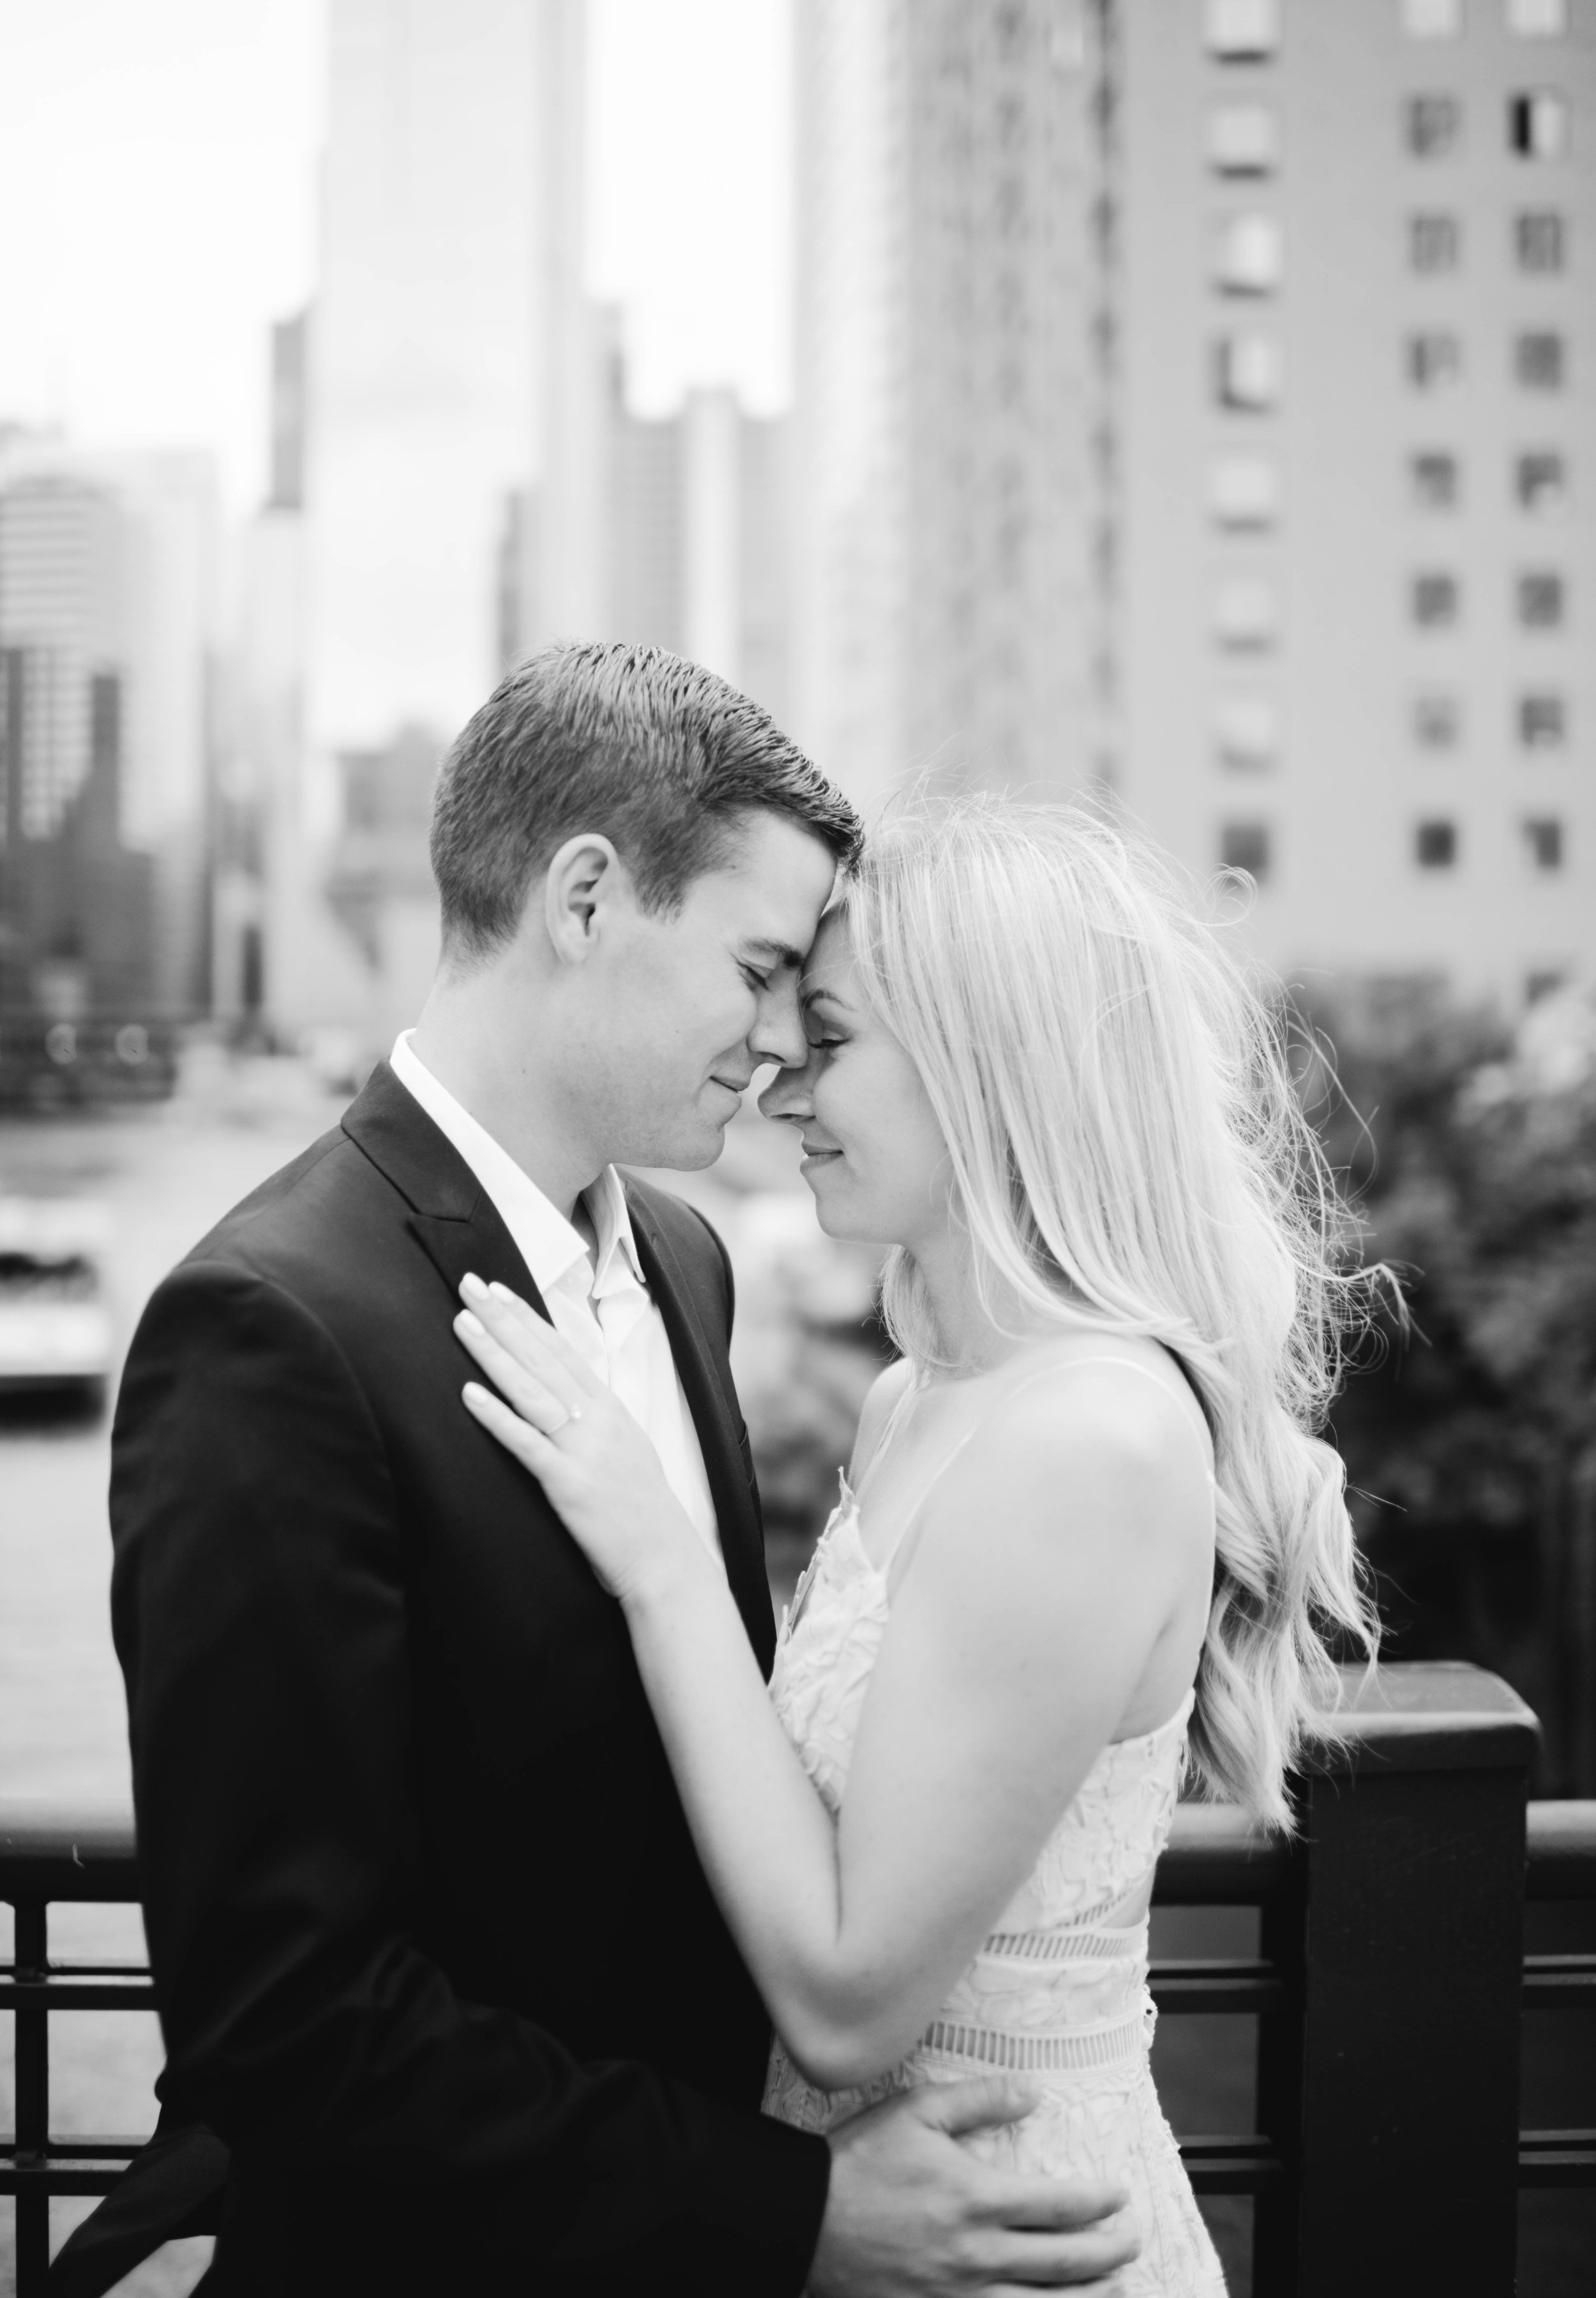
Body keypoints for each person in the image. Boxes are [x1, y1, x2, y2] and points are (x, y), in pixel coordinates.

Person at [106, 647, 1141, 2297]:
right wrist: (783, 2209)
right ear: (584, 899)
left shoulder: (684, 1259)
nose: (784, 1042)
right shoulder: (270, 1328)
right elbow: (285, 2019)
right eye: (758, 967)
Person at [455, 790, 1381, 2297]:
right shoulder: (912, 1400)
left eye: (829, 1037)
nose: (780, 1087)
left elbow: (844, 2001)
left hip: (1007, 2237)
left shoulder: (1089, 1439)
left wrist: (664, 1558)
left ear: (978, 1065)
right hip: (857, 2220)